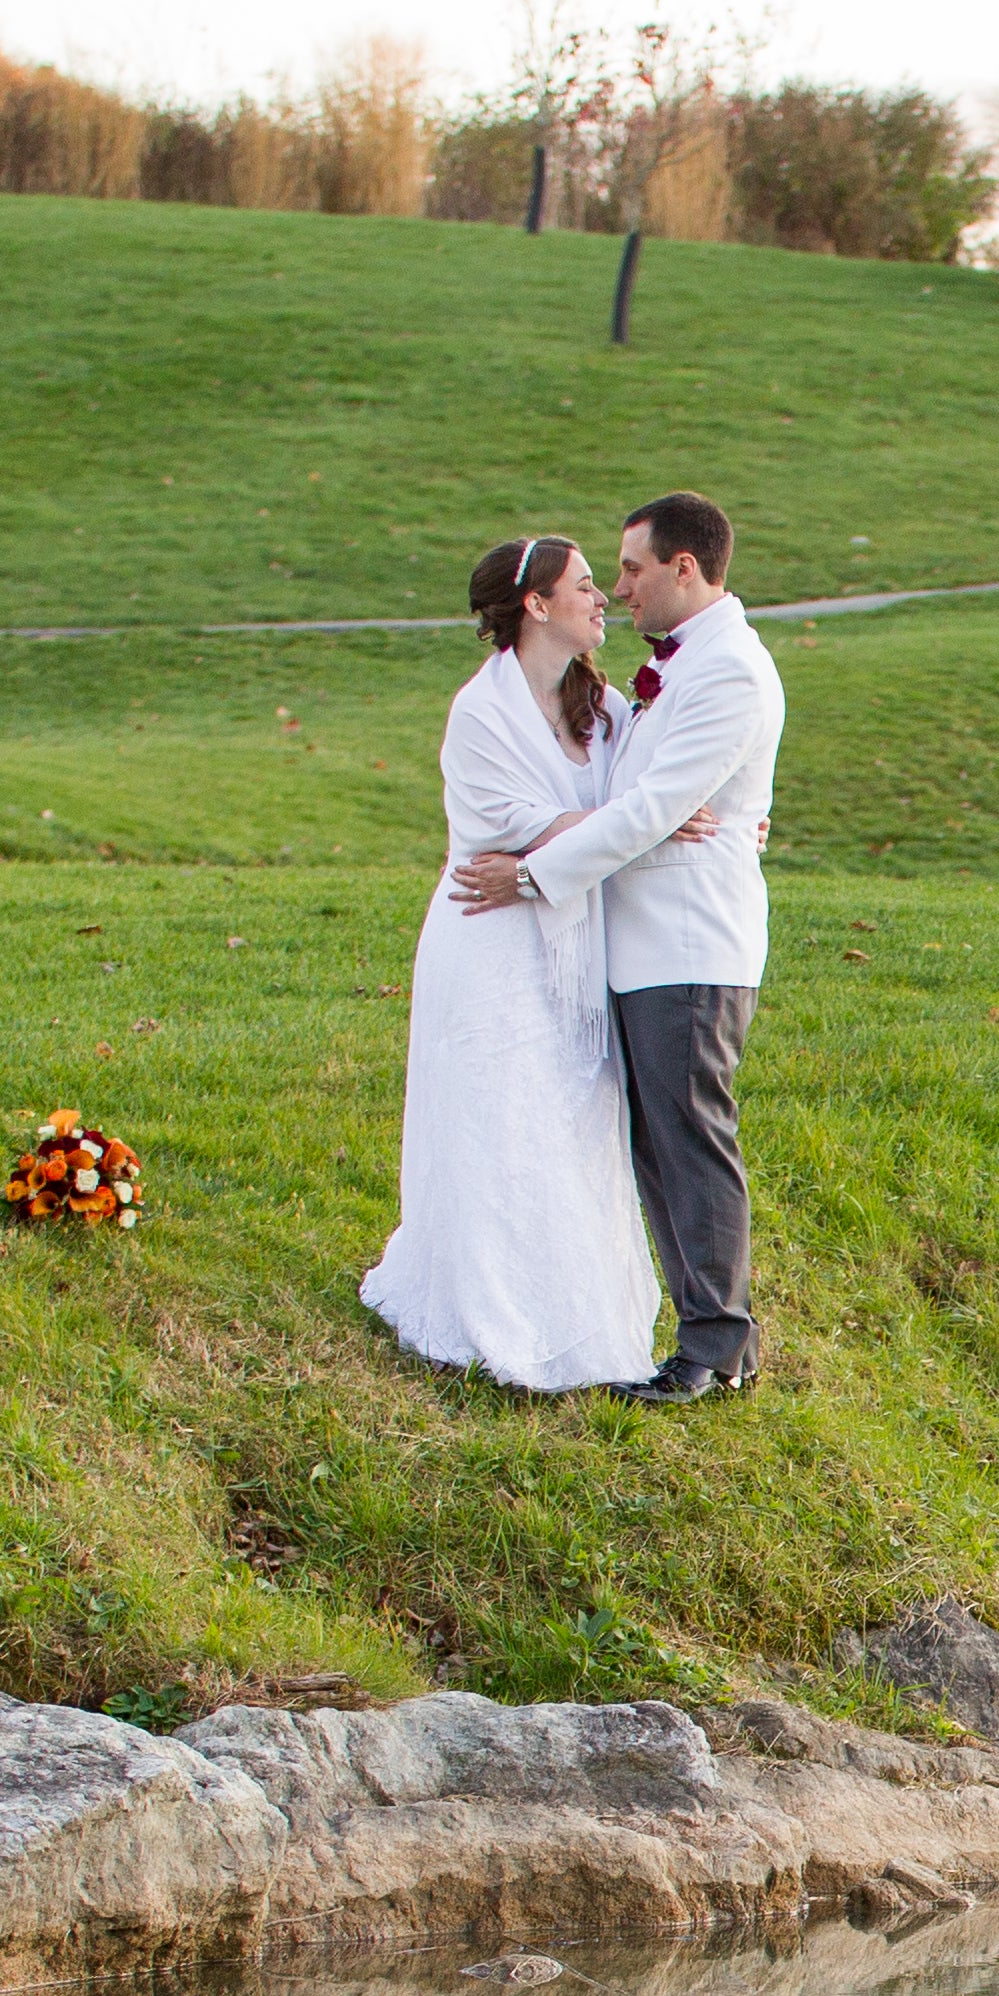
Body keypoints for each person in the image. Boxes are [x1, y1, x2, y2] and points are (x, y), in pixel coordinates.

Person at [448, 494, 785, 1407]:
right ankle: (717, 1342)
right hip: (642, 945)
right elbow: (652, 796)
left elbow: (648, 812)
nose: (621, 587)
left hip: (687, 944)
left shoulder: (728, 673)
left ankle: (714, 1348)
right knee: (660, 1144)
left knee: (689, 1140)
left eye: (631, 569)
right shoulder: (681, 667)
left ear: (686, 567)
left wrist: (529, 875)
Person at [360, 537, 663, 1393]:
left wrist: (683, 809)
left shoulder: (603, 705)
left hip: (572, 938)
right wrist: (645, 818)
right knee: (502, 1118)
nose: (603, 600)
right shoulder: (480, 713)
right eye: (583, 587)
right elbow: (522, 821)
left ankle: (578, 1315)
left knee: (574, 1117)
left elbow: (642, 790)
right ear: (535, 606)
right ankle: (494, 1315)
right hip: (491, 938)